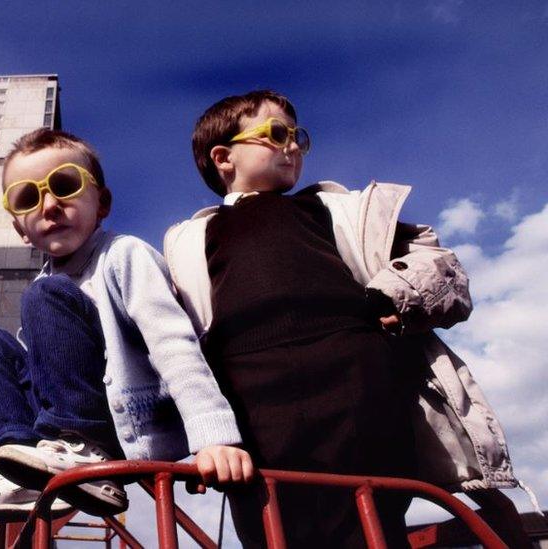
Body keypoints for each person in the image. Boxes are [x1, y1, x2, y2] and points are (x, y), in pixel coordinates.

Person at [162, 90, 527, 548]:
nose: (292, 145)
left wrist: (386, 298)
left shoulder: (337, 209)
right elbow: (169, 328)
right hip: (252, 399)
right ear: (223, 158)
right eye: (276, 134)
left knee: (369, 518)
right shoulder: (191, 237)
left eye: (298, 136)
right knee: (271, 522)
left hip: (357, 381)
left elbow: (440, 267)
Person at [0, 128, 253, 524]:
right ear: (20, 228)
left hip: (130, 419)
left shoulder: (123, 255)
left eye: (65, 185)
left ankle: (80, 444)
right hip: (66, 421)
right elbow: (39, 375)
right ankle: (22, 469)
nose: (50, 205)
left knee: (46, 296)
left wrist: (214, 436)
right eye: (27, 197)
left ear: (102, 202)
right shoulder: (43, 288)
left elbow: (172, 341)